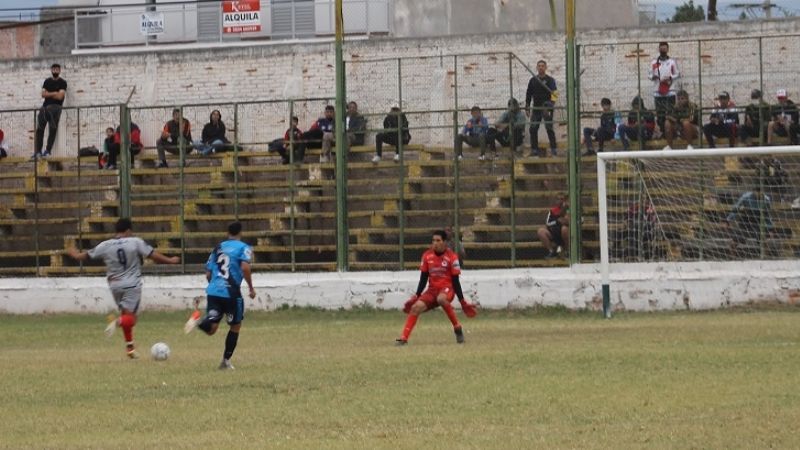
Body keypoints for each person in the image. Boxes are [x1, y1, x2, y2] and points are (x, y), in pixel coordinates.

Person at [65, 218, 180, 359]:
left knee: (126, 314)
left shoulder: (105, 245)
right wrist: (170, 260)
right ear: (128, 230)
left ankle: (130, 348)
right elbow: (152, 255)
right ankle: (117, 321)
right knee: (130, 319)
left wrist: (74, 254)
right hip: (132, 285)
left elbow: (84, 256)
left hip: (115, 286)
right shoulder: (135, 242)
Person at [184, 221, 255, 370]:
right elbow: (245, 267)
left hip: (214, 292)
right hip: (231, 293)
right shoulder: (244, 248)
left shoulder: (218, 248)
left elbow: (208, 273)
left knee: (212, 329)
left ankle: (198, 321)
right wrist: (250, 287)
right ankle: (225, 361)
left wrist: (215, 286)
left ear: (227, 233)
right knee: (235, 326)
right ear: (240, 233)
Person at [396, 230, 476, 345]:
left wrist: (462, 301)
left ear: (445, 242)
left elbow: (455, 281)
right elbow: (423, 278)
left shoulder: (452, 257)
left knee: (441, 299)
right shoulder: (427, 256)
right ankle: (403, 339)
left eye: (438, 240)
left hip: (447, 289)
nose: (435, 243)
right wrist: (417, 296)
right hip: (432, 291)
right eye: (433, 241)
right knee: (415, 308)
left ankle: (457, 328)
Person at [32, 63, 67, 161]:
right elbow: (43, 94)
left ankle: (47, 151)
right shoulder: (47, 81)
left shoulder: (63, 82)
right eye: (54, 69)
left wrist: (49, 94)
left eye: (57, 69)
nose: (55, 71)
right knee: (39, 129)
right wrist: (55, 92)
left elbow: (60, 97)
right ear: (51, 70)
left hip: (56, 108)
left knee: (52, 129)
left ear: (59, 71)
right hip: (45, 107)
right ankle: (38, 151)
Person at [525, 60, 558, 157]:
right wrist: (527, 106)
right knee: (533, 129)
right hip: (536, 108)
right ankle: (534, 149)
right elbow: (528, 94)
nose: (541, 67)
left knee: (549, 128)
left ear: (546, 67)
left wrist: (551, 105)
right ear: (536, 67)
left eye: (543, 66)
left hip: (547, 108)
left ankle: (553, 149)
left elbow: (555, 94)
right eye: (539, 66)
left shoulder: (550, 80)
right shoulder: (533, 80)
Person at [648, 42, 680, 136]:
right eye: (661, 48)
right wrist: (653, 77)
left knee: (671, 113)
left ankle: (672, 132)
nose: (663, 50)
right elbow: (649, 74)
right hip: (658, 92)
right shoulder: (654, 62)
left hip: (670, 91)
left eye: (665, 48)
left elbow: (677, 74)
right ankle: (663, 132)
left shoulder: (672, 62)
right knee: (660, 114)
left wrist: (670, 78)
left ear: (667, 49)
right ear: (659, 49)